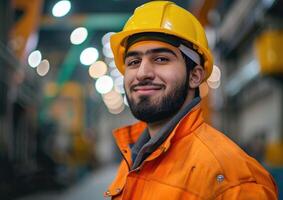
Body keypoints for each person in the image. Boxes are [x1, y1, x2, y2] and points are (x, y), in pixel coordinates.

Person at [105, 1, 278, 199]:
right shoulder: (134, 159)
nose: (142, 73)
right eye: (134, 62)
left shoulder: (230, 178)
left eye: (161, 59)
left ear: (195, 76)